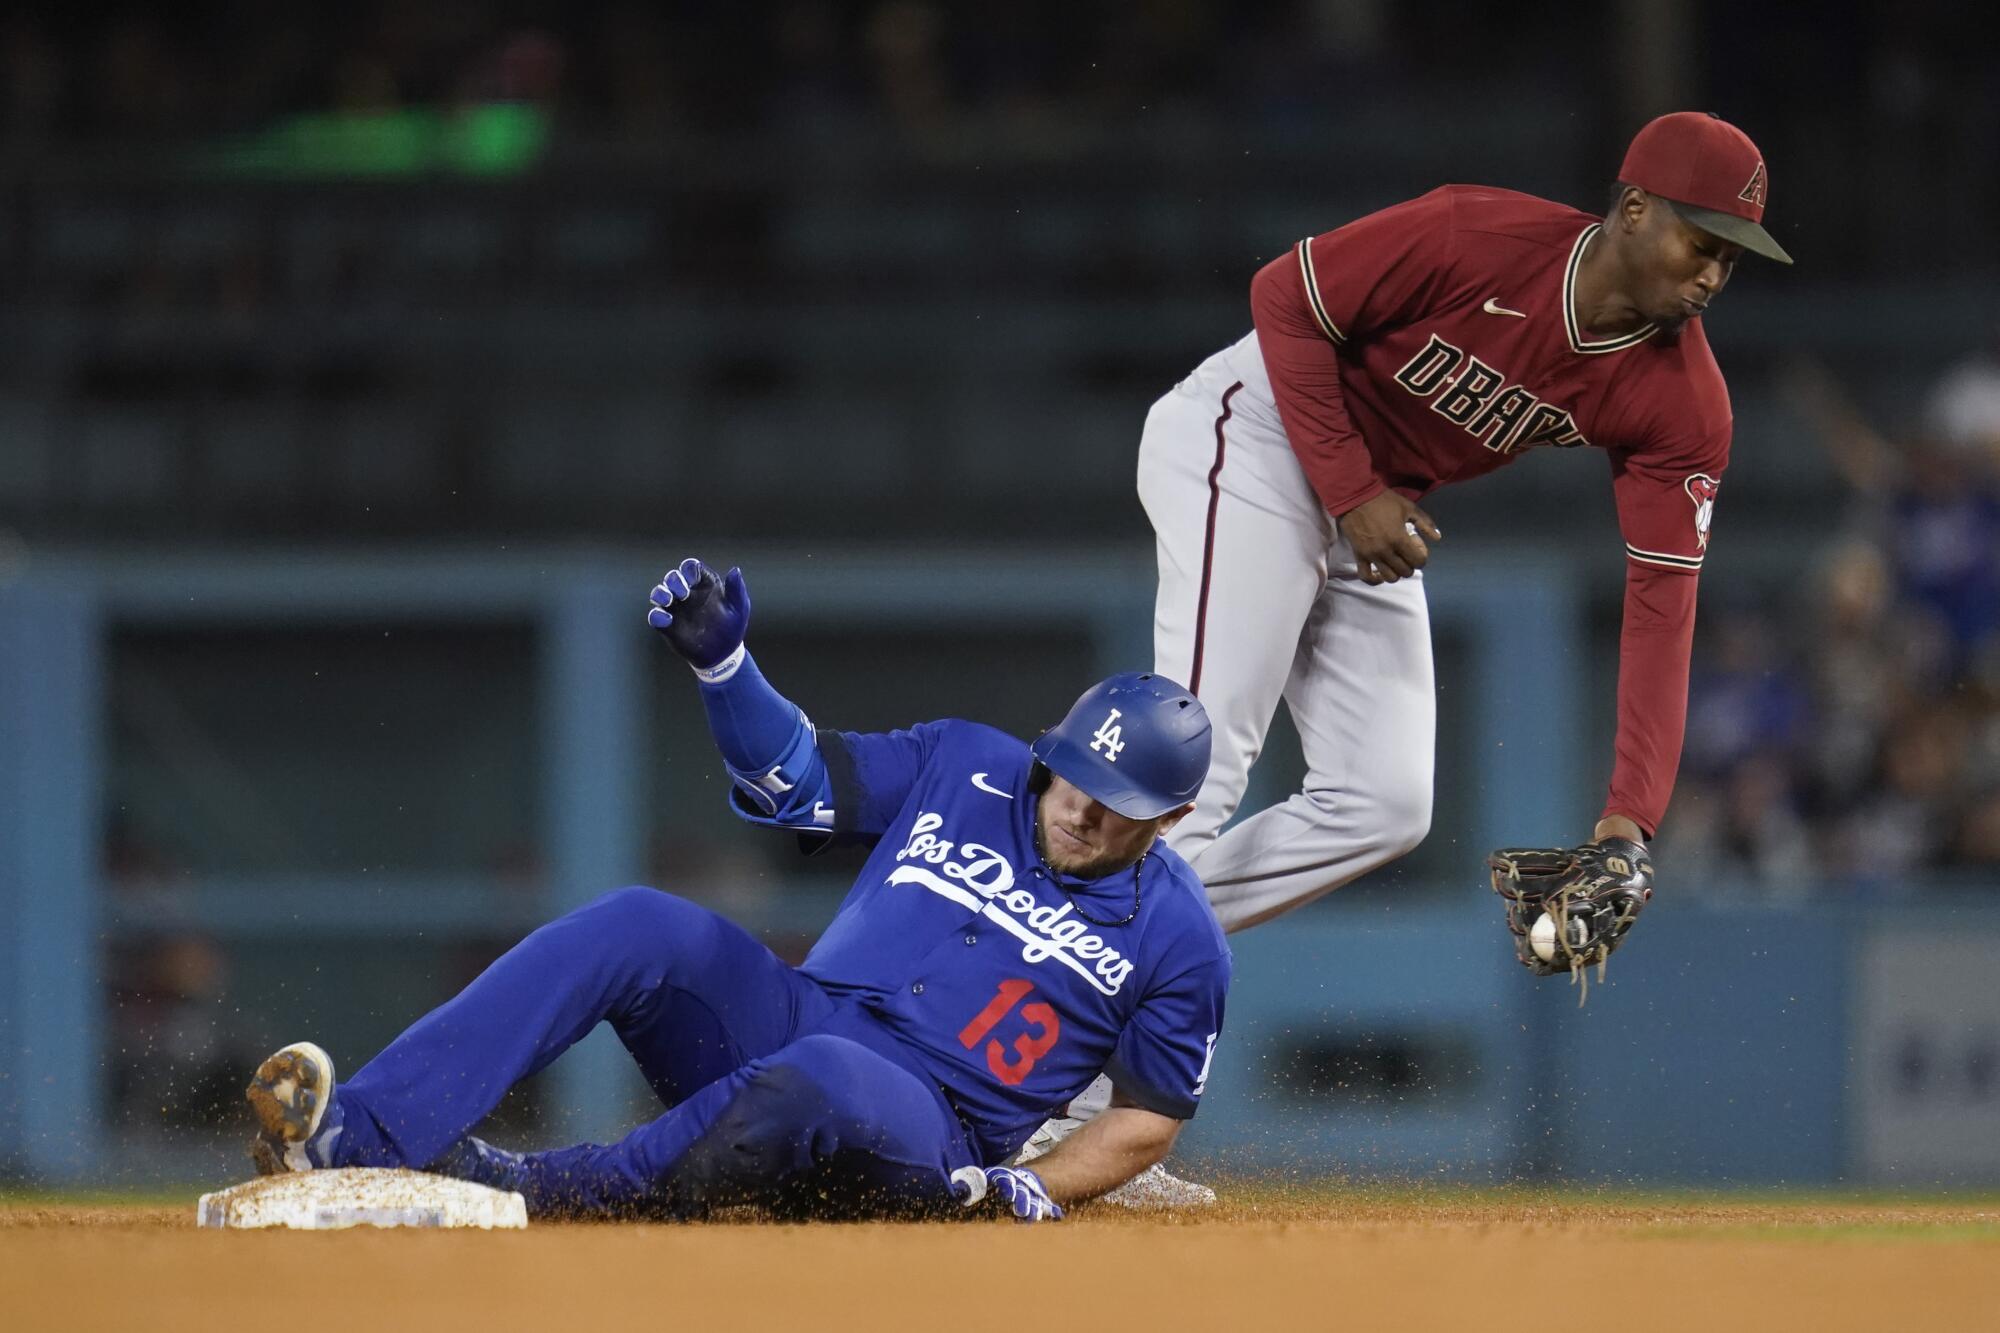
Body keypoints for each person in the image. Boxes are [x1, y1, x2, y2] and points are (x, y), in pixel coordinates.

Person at [1037, 112, 1793, 1196]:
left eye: (1733, 253)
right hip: (1252, 438)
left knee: (1383, 802)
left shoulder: (1681, 400)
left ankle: (1042, 955)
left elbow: (1661, 609)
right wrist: (1350, 493)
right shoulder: (1473, 235)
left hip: (1365, 509)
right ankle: (1052, 1104)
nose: (1716, 269)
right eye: (1701, 239)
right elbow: (1281, 299)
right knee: (1189, 774)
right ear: (1631, 210)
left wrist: (1629, 819)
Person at [244, 557, 1229, 1222]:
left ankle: (531, 1192)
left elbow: (1145, 1119)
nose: (1079, 810)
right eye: (1072, 777)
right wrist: (723, 666)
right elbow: (794, 785)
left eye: (1115, 804)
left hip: (923, 1126)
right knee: (639, 921)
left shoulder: (1179, 937)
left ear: (1169, 820)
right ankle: (354, 1140)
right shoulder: (969, 763)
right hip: (796, 1022)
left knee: (837, 1079)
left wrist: (1031, 1187)